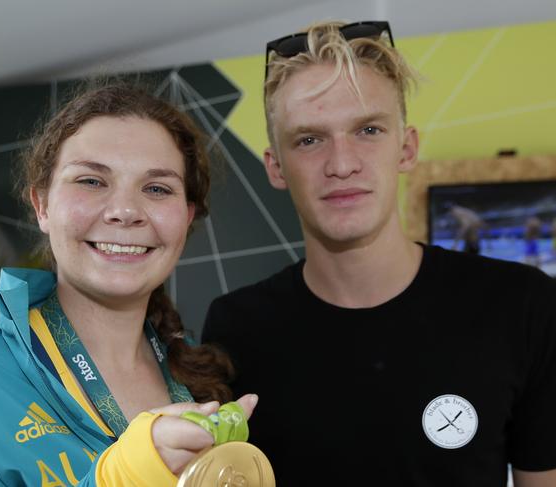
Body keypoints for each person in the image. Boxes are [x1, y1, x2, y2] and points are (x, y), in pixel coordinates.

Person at [202, 20, 556, 487]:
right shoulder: (235, 329)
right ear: (276, 168)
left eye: (368, 130)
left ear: (406, 149)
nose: (342, 163)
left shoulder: (522, 305)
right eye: (309, 139)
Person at [0, 84, 258, 486]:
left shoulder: (202, 385)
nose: (125, 211)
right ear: (42, 205)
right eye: (91, 181)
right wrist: (120, 478)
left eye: (157, 188)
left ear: (186, 216)